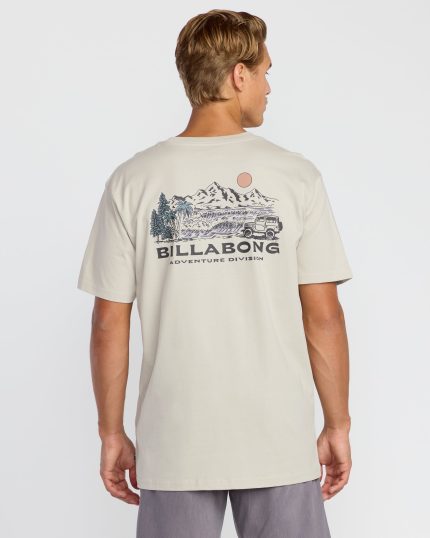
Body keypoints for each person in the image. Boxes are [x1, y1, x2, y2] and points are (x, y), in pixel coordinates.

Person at [77, 9, 353, 538]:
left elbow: (108, 322)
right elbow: (324, 317)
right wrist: (337, 424)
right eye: (265, 72)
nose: (269, 87)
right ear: (239, 75)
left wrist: (111, 433)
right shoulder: (296, 176)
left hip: (175, 440)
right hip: (277, 438)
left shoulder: (133, 180)